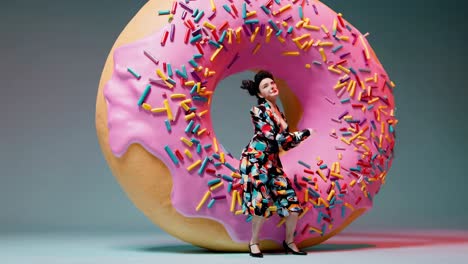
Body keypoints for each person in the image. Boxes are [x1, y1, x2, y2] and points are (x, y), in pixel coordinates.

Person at [239, 70, 314, 258]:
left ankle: (289, 241)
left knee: (292, 203)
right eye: (265, 86)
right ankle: (253, 242)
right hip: (255, 160)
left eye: (272, 83)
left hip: (273, 163)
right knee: (260, 203)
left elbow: (286, 143)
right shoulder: (258, 111)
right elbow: (273, 137)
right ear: (259, 94)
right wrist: (302, 134)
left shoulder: (280, 113)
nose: (271, 87)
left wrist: (301, 138)